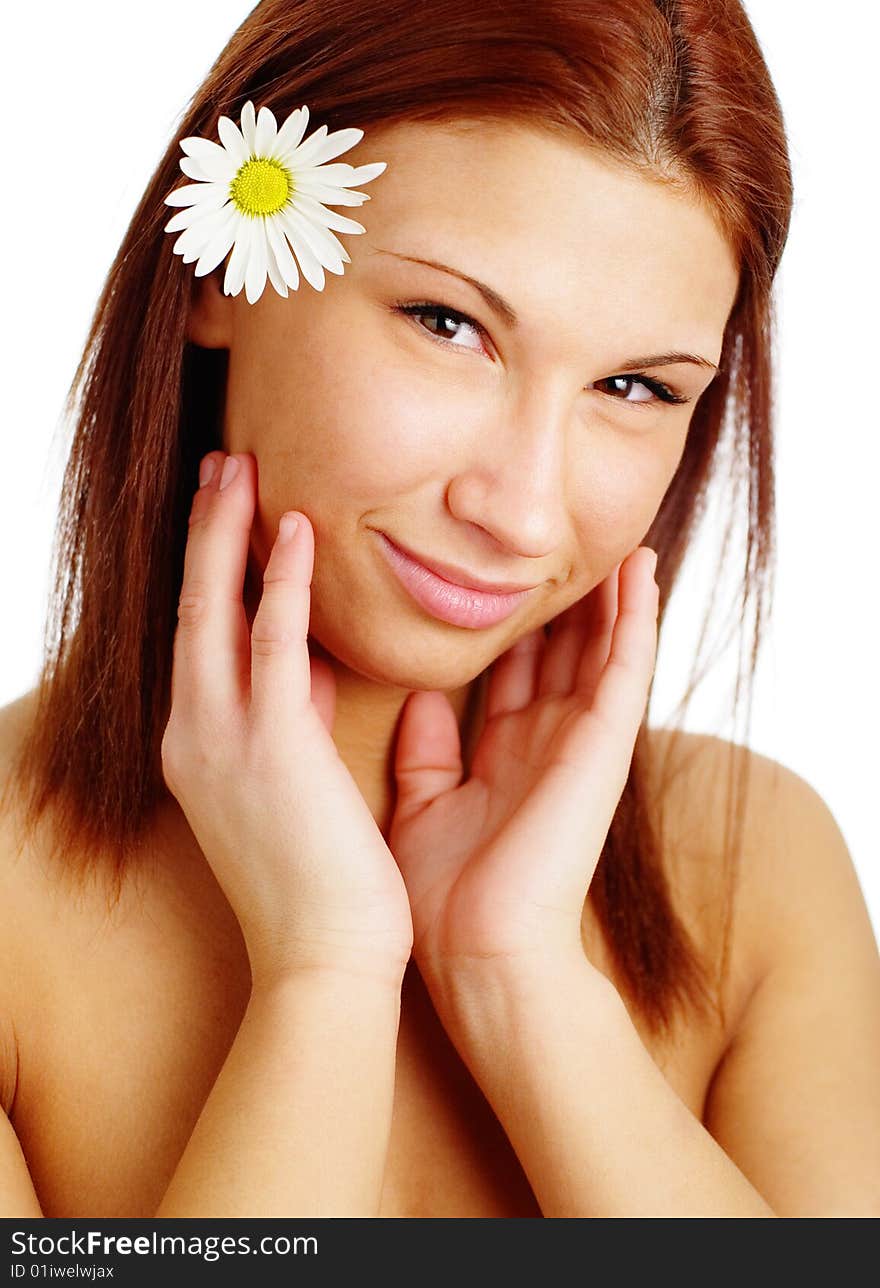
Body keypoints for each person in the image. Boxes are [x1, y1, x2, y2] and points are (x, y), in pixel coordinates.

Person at [1, 0, 878, 1220]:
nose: (520, 511)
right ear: (220, 262)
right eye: (447, 324)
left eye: (632, 386)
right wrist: (324, 973)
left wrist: (527, 985)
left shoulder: (755, 876)